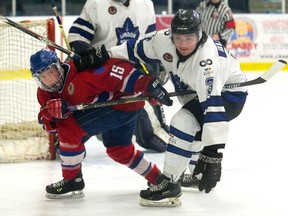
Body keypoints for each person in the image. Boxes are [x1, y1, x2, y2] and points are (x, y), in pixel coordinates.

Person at [88, 9, 248, 206]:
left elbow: (213, 111)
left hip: (228, 95)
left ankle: (169, 184)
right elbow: (133, 49)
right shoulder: (162, 40)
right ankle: (195, 172)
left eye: (188, 38)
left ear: (199, 35)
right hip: (194, 90)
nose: (182, 44)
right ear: (171, 33)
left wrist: (213, 154)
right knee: (192, 128)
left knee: (183, 122)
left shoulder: (207, 64)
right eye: (178, 37)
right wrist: (103, 53)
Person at [30, 47, 173, 199]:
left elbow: (116, 70)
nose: (49, 79)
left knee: (68, 130)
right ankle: (159, 180)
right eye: (43, 76)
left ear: (58, 66)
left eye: (51, 72)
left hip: (123, 104)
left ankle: (72, 180)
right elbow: (48, 127)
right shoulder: (44, 93)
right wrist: (50, 114)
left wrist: (146, 84)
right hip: (124, 108)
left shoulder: (82, 77)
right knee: (118, 150)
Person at [67, 0, 170, 153]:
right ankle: (97, 128)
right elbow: (77, 37)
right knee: (69, 138)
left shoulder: (146, 4)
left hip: (131, 76)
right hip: (101, 76)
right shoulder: (96, 3)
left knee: (157, 139)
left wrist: (155, 70)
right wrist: (86, 54)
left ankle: (110, 128)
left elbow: (151, 43)